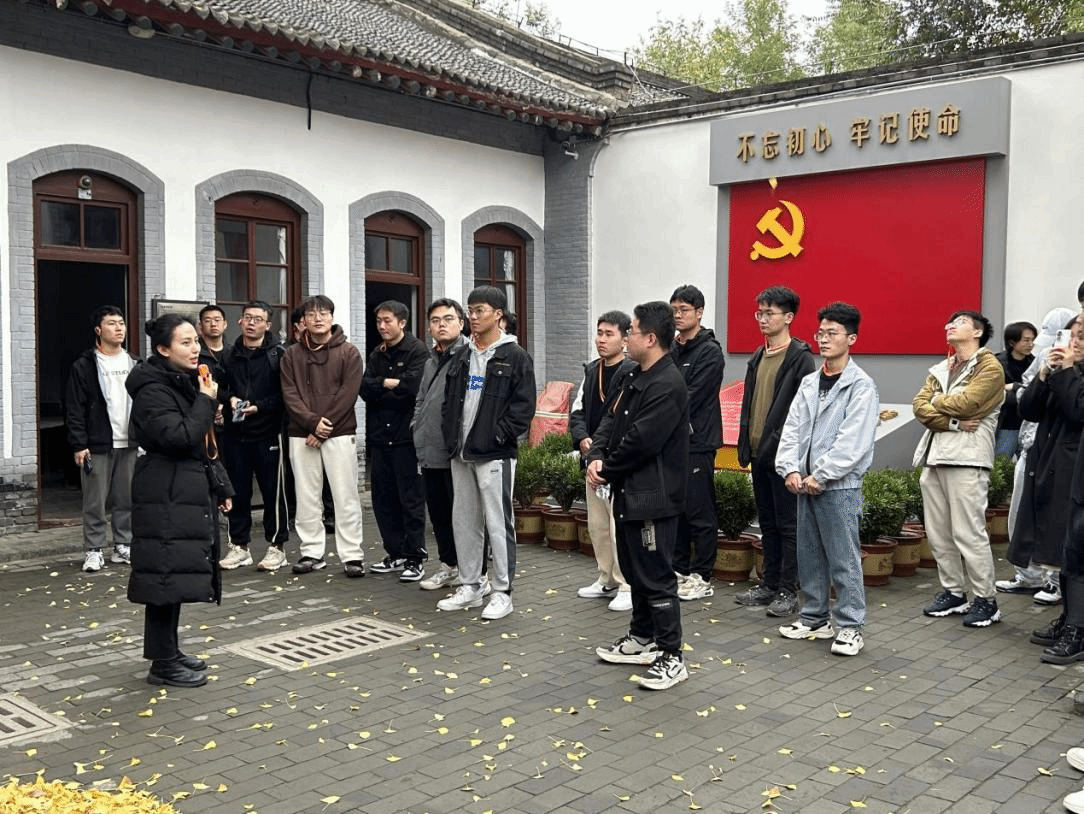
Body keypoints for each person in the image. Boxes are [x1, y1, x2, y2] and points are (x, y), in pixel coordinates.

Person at [125, 314, 234, 688]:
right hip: (163, 489)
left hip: (184, 486)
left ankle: (169, 651)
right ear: (162, 349)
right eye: (185, 342)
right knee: (164, 575)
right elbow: (179, 437)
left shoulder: (183, 381)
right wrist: (205, 401)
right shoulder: (152, 391)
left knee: (174, 573)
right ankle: (162, 663)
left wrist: (222, 487)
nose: (195, 348)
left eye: (196, 341)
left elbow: (202, 442)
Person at [591, 301, 690, 689]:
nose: (626, 337)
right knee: (634, 570)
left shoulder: (668, 384)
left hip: (654, 497)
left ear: (650, 338)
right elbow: (610, 421)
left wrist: (607, 468)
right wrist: (596, 456)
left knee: (655, 575)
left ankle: (672, 655)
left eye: (631, 331)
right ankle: (642, 637)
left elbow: (642, 441)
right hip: (628, 491)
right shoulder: (633, 375)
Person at [775, 302, 879, 656]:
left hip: (838, 487)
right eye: (820, 332)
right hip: (805, 483)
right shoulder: (809, 382)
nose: (823, 339)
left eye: (832, 333)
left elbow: (853, 442)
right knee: (809, 556)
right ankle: (814, 618)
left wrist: (822, 474)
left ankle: (850, 626)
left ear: (852, 338)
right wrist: (790, 468)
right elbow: (792, 429)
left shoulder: (861, 386)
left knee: (843, 559)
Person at [438, 286, 536, 620]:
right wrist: (450, 435)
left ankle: (502, 592)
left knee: (498, 523)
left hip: (494, 454)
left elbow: (523, 409)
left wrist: (496, 436)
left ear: (498, 314)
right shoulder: (462, 355)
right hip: (461, 452)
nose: (473, 317)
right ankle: (471, 585)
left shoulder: (515, 356)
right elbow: (449, 402)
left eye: (479, 310)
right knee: (464, 521)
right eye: (470, 310)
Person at [913, 310, 1005, 627]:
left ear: (978, 332)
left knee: (968, 533)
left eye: (961, 322)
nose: (951, 326)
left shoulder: (990, 367)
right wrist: (952, 422)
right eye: (950, 322)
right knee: (938, 533)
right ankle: (954, 592)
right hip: (935, 456)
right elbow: (919, 407)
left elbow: (969, 404)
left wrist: (938, 401)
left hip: (968, 458)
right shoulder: (942, 367)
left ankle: (986, 599)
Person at [735, 286, 816, 618]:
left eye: (769, 313)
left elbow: (804, 411)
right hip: (758, 453)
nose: (762, 319)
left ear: (789, 317)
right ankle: (768, 584)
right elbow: (749, 404)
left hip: (785, 458)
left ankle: (787, 590)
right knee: (767, 522)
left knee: (788, 525)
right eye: (760, 313)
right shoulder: (758, 355)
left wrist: (787, 451)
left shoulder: (800, 358)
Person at [280, 295, 367, 577]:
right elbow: (290, 394)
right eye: (311, 314)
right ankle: (311, 552)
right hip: (301, 433)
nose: (318, 319)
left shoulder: (349, 353)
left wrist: (323, 426)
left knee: (345, 496)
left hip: (339, 432)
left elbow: (348, 394)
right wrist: (312, 423)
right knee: (306, 496)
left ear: (332, 317)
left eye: (323, 313)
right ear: (302, 321)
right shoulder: (291, 355)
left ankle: (352, 555)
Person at [998, 307, 1078, 597]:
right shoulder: (1048, 359)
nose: (1072, 343)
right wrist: (1044, 374)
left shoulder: (1074, 371)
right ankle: (1029, 575)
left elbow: (1076, 410)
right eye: (1071, 336)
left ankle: (1055, 581)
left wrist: (1066, 373)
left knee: (1060, 521)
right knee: (1024, 512)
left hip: (1066, 458)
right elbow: (1028, 405)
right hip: (1034, 447)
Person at [571, 310, 636, 612]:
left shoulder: (632, 371)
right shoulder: (591, 370)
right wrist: (582, 438)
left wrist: (602, 448)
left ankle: (627, 585)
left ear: (625, 339)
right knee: (597, 525)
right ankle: (606, 578)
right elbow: (577, 411)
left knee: (618, 526)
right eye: (599, 333)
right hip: (591, 460)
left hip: (616, 462)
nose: (601, 339)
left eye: (609, 334)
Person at [218, 300, 290, 572]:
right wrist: (230, 398)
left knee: (273, 492)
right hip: (235, 434)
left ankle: (277, 546)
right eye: (247, 317)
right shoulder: (229, 354)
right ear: (240, 321)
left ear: (268, 325)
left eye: (258, 319)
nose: (251, 323)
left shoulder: (278, 355)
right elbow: (217, 387)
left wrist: (259, 406)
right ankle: (239, 546)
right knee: (236, 492)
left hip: (268, 433)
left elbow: (286, 395)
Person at [65, 305, 139, 572]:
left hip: (130, 442)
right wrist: (79, 444)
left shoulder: (135, 363)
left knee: (126, 498)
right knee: (94, 501)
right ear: (98, 330)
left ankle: (123, 545)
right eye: (111, 323)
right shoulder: (84, 365)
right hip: (97, 444)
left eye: (121, 323)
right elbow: (74, 407)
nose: (119, 328)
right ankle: (94, 549)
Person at [361, 300, 429, 582]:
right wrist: (386, 383)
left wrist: (383, 386)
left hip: (406, 438)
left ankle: (415, 557)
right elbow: (364, 388)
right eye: (379, 321)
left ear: (402, 322)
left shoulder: (417, 351)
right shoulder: (377, 353)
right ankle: (395, 553)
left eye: (387, 320)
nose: (382, 326)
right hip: (380, 437)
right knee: (383, 500)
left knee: (410, 499)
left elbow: (412, 389)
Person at [668, 284, 725, 602]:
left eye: (684, 310)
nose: (678, 315)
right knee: (676, 509)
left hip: (698, 441)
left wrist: (660, 408)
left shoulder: (709, 352)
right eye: (674, 309)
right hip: (671, 442)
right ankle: (678, 570)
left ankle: (702, 575)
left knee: (699, 511)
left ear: (699, 312)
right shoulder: (671, 347)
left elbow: (690, 397)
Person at [413, 298, 470, 591]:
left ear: (461, 323)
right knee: (439, 515)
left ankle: (471, 571)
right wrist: (416, 425)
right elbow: (421, 399)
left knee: (464, 516)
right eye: (435, 321)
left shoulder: (470, 357)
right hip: (430, 450)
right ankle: (448, 565)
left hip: (457, 452)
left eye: (448, 319)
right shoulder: (430, 361)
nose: (441, 325)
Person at [993, 320, 1037, 459]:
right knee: (1002, 463)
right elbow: (995, 393)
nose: (1030, 344)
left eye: (1032, 340)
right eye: (1026, 340)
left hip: (1028, 424)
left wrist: (1014, 386)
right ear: (1012, 342)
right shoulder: (997, 363)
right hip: (1006, 423)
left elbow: (1036, 393)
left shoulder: (1035, 363)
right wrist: (1022, 392)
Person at [197, 304, 231, 388]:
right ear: (200, 325)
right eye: (207, 321)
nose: (213, 324)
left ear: (225, 324)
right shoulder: (195, 352)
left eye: (217, 320)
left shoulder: (233, 352)